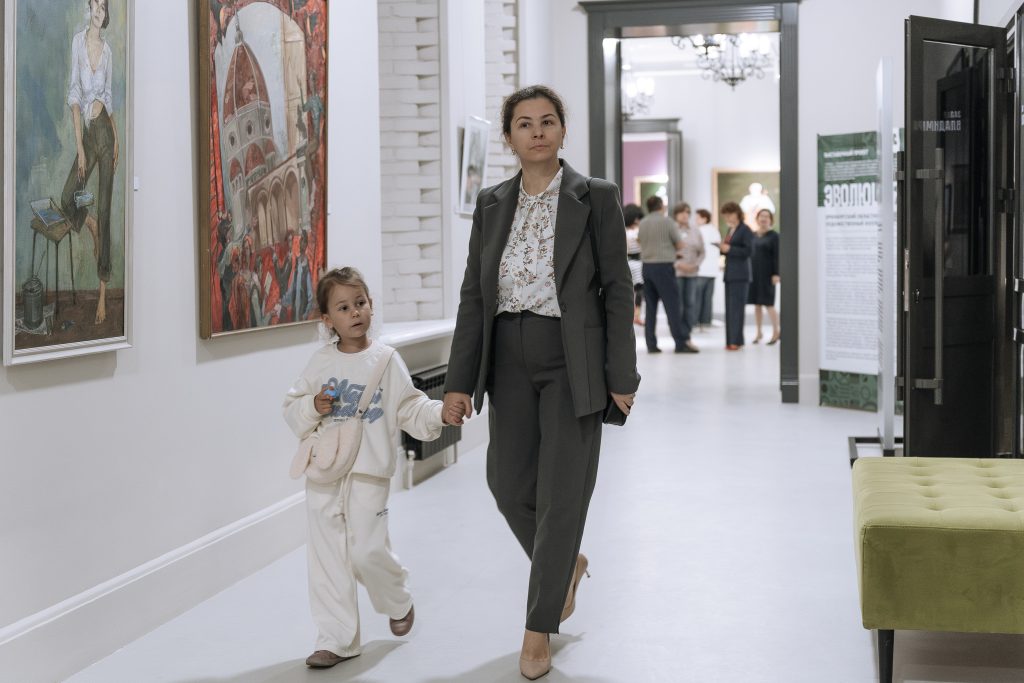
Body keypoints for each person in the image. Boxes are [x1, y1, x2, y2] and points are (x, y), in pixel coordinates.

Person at [441, 85, 640, 680]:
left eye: (547, 121)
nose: (536, 132)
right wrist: (458, 380)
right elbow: (474, 296)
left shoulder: (594, 196)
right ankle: (566, 565)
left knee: (562, 494)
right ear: (508, 137)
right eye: (524, 124)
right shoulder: (491, 202)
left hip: (571, 358)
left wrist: (621, 374)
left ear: (562, 130)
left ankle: (537, 628)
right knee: (506, 484)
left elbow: (618, 289)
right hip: (505, 357)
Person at [282, 267, 452, 669]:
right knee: (327, 558)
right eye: (343, 307)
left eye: (360, 303)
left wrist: (440, 413)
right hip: (325, 472)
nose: (355, 312)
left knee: (367, 551)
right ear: (328, 320)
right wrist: (313, 406)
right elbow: (292, 407)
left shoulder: (386, 361)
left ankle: (397, 599)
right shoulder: (320, 362)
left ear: (371, 305)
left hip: (369, 472)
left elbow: (410, 407)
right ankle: (335, 639)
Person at [61, 0, 119, 325]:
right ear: (89, 8)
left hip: (106, 134)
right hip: (88, 134)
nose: (99, 11)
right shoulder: (77, 43)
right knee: (68, 197)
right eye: (95, 4)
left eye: (103, 7)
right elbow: (74, 95)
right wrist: (79, 148)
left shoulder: (108, 52)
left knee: (107, 210)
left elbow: (108, 98)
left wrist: (117, 137)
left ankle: (102, 294)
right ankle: (90, 224)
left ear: (105, 14)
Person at [638, 195, 698, 353]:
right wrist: (672, 250)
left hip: (647, 267)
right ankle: (680, 343)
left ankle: (651, 344)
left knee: (650, 308)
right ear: (661, 206)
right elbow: (680, 244)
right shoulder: (668, 222)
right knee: (672, 306)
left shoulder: (642, 223)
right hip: (664, 267)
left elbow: (640, 242)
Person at [715, 202, 754, 350]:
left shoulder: (745, 230)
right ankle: (732, 340)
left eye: (729, 215)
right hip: (730, 274)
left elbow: (748, 251)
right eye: (725, 216)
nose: (727, 218)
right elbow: (729, 249)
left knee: (736, 309)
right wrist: (722, 248)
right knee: (730, 309)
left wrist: (729, 249)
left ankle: (735, 341)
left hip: (740, 274)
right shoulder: (731, 229)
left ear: (737, 213)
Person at [672, 203, 704, 348]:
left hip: (692, 273)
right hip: (677, 273)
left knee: (690, 305)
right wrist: (678, 264)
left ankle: (687, 335)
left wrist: (695, 265)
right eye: (682, 212)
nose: (685, 215)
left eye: (687, 212)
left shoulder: (695, 231)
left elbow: (702, 252)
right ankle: (679, 338)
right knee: (678, 306)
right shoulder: (672, 229)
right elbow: (667, 251)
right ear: (676, 214)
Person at [748, 208, 781, 344]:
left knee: (769, 304)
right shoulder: (753, 235)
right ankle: (759, 332)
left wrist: (777, 273)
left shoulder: (774, 236)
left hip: (768, 275)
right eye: (761, 216)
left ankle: (776, 331)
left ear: (770, 220)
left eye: (767, 216)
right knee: (757, 304)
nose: (763, 219)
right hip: (754, 274)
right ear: (757, 219)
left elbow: (778, 256)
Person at [694, 208, 720, 330]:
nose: (696, 220)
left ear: (705, 218)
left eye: (697, 218)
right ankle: (705, 321)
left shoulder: (699, 231)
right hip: (712, 270)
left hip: (701, 269)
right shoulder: (715, 230)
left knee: (697, 298)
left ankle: (694, 321)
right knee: (708, 298)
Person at [623, 203, 645, 325]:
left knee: (632, 290)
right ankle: (636, 314)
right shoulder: (635, 231)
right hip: (635, 262)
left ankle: (633, 315)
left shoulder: (624, 230)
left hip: (629, 261)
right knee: (638, 289)